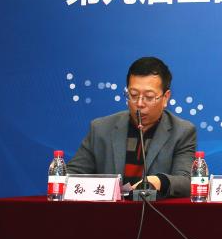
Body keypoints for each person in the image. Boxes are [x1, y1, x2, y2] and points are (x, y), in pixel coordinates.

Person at [67, 56, 196, 197]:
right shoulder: (100, 128)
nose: (139, 104)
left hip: (154, 210)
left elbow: (187, 182)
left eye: (149, 97)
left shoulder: (182, 132)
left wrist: (159, 181)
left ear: (165, 98)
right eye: (133, 95)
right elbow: (70, 177)